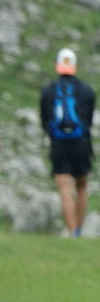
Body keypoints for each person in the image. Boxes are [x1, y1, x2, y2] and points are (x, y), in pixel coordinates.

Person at [40, 47, 95, 237]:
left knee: (65, 189)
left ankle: (72, 232)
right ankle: (79, 230)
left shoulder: (48, 91)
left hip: (59, 144)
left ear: (57, 66)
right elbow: (88, 120)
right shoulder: (87, 90)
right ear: (75, 67)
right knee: (81, 186)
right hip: (81, 142)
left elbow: (44, 121)